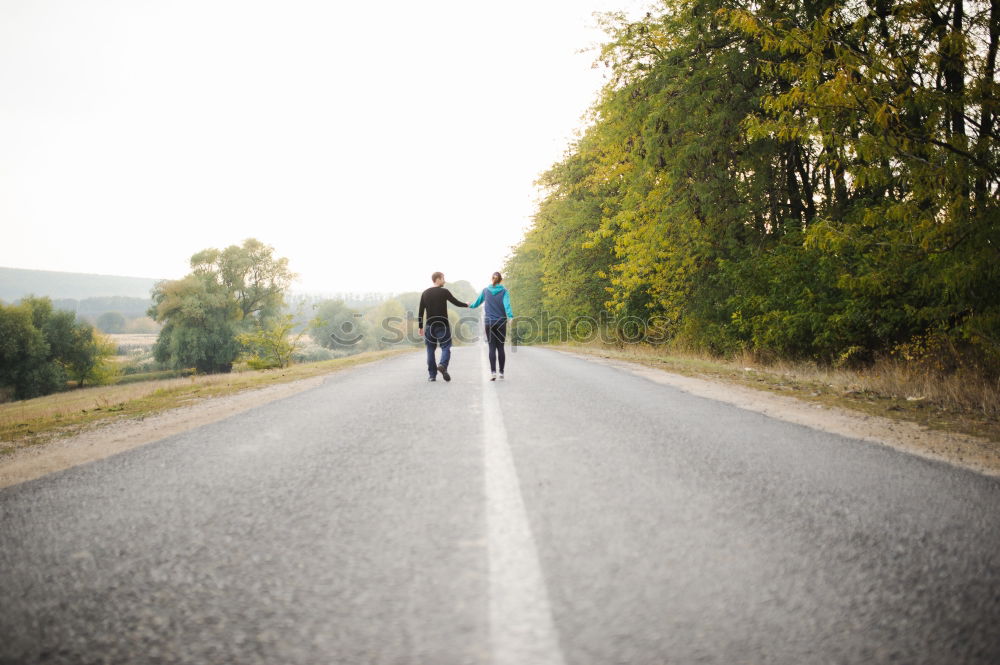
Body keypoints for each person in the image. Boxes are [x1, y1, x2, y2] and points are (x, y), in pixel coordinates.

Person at [418, 272, 469, 382]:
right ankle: (442, 365)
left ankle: (432, 376)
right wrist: (466, 304)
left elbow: (421, 311)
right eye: (443, 278)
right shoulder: (444, 292)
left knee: (430, 349)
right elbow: (455, 302)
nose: (444, 281)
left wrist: (420, 326)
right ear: (437, 279)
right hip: (442, 324)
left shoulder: (425, 293)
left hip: (429, 326)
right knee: (446, 346)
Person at [468, 271, 514, 380]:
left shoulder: (485, 291)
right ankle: (501, 373)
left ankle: (493, 372)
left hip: (489, 323)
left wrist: (470, 305)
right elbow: (507, 305)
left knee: (492, 347)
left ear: (491, 279)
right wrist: (510, 316)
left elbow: (477, 303)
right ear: (500, 280)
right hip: (501, 322)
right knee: (500, 347)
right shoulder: (504, 291)